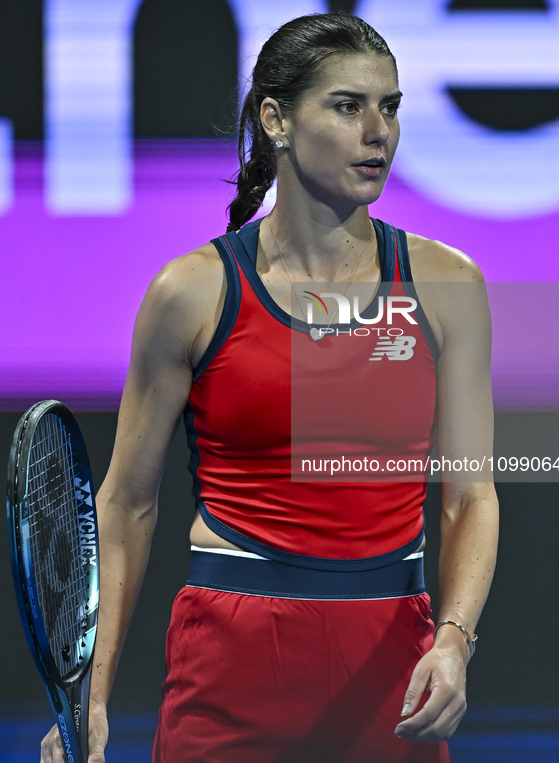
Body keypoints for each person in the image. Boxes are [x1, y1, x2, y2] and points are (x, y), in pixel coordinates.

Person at [41, 12, 498, 763]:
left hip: (392, 665)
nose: (377, 131)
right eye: (348, 106)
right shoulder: (188, 292)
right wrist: (89, 694)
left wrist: (454, 639)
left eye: (390, 106)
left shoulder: (449, 284)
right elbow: (126, 502)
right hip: (229, 662)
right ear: (275, 119)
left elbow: (470, 495)